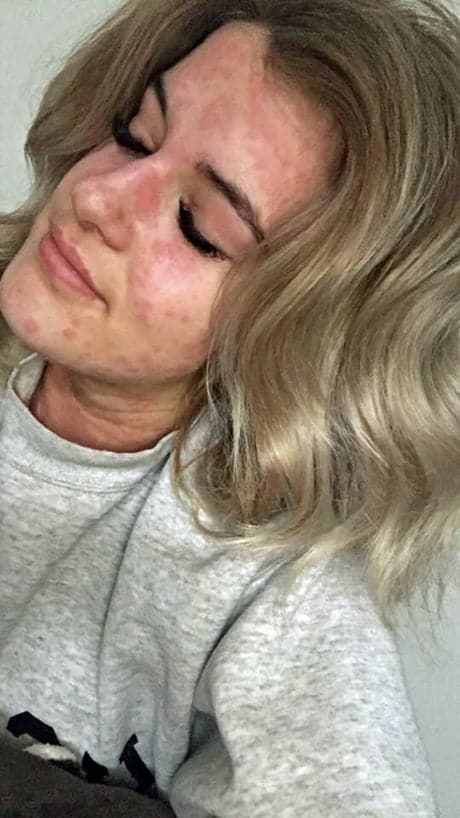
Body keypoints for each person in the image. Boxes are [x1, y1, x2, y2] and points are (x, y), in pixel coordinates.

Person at [0, 0, 458, 815]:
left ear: (295, 333)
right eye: (134, 135)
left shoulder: (269, 580)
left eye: (197, 225)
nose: (98, 197)